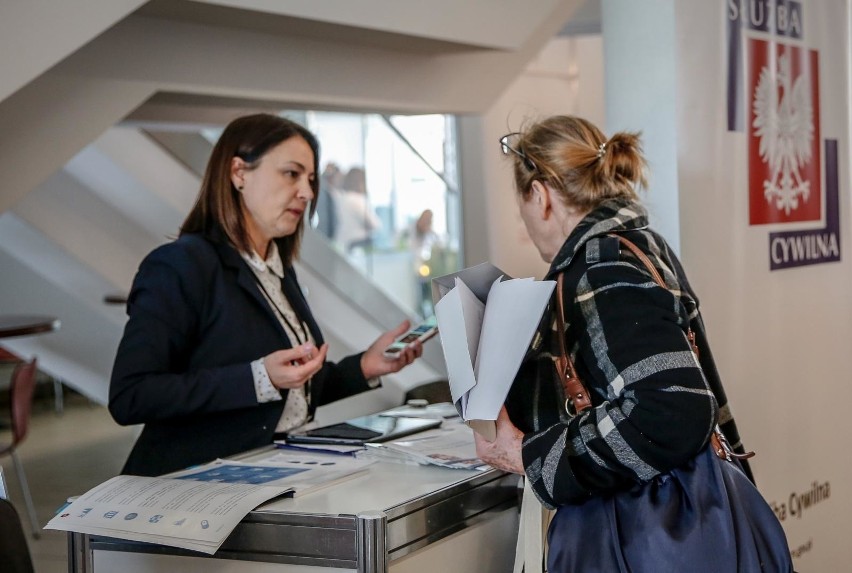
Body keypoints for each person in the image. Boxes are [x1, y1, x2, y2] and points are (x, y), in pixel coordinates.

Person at [476, 116, 772, 571]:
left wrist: (532, 456)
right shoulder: (637, 245)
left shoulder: (598, 266)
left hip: (641, 538)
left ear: (540, 196)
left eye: (523, 206)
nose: (525, 222)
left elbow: (671, 408)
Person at [109, 114, 422, 477]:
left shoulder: (276, 268)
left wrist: (367, 366)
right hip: (195, 489)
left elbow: (292, 393)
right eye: (292, 173)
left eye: (310, 179)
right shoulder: (181, 265)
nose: (306, 192)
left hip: (274, 474)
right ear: (239, 173)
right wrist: (259, 378)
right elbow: (131, 395)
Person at [333, 166, 381, 253]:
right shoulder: (358, 200)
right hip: (358, 246)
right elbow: (375, 224)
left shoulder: (339, 198)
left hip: (341, 244)